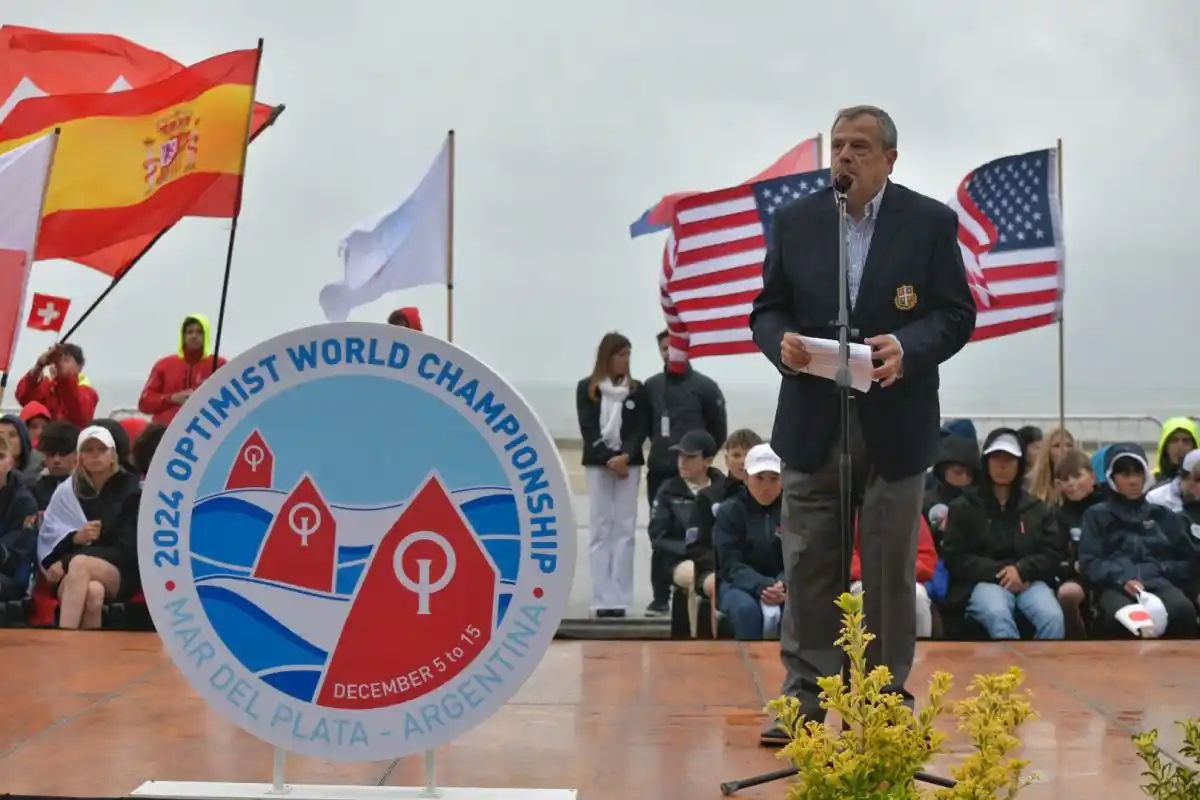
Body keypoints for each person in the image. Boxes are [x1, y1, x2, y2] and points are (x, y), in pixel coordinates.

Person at [749, 105, 976, 744]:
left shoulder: (928, 223)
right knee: (810, 562)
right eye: (838, 146)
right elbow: (767, 310)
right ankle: (806, 697)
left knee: (886, 565)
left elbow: (956, 315)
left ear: (889, 159)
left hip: (895, 423)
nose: (844, 158)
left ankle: (882, 695)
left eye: (859, 148)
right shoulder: (797, 222)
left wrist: (909, 346)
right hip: (813, 419)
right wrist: (782, 342)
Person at [941, 429, 1065, 640]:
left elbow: (1052, 552)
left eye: (1009, 459)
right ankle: (1007, 672)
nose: (1002, 465)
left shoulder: (1036, 508)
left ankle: (1045, 669)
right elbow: (955, 557)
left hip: (1029, 581)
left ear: (1019, 463)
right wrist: (1003, 573)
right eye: (996, 458)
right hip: (982, 583)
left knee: (1052, 617)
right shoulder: (963, 507)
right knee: (997, 614)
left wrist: (1023, 570)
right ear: (986, 461)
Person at [642, 329, 727, 616]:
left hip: (698, 472)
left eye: (674, 347)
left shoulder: (706, 387)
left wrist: (702, 458)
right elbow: (644, 426)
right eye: (664, 349)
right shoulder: (651, 387)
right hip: (661, 471)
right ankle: (659, 597)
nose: (670, 353)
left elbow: (718, 429)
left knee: (700, 527)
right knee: (662, 531)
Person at [1079, 443, 1199, 639]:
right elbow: (1090, 562)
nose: (1133, 481)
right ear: (1111, 477)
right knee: (1124, 619)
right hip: (1115, 586)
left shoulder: (1163, 515)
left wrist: (1161, 569)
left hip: (1159, 582)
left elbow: (1187, 561)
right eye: (1125, 475)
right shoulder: (1096, 516)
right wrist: (1122, 578)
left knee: (1183, 611)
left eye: (1138, 473)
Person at [36, 425, 142, 629]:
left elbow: (125, 550)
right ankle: (89, 657)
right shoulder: (67, 491)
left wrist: (66, 561)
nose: (96, 456)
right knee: (94, 593)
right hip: (72, 574)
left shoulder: (131, 490)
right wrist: (74, 538)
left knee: (80, 564)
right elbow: (49, 540)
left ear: (113, 455)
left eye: (102, 450)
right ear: (80, 457)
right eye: (89, 450)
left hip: (119, 571)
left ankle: (64, 639)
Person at [575, 332, 647, 619]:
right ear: (607, 357)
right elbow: (588, 427)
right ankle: (601, 596)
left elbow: (640, 429)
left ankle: (620, 597)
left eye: (629, 354)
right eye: (621, 354)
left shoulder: (637, 391)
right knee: (601, 527)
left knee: (625, 529)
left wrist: (625, 456)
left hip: (628, 466)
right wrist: (607, 457)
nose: (625, 360)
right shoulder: (587, 389)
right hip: (598, 465)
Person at [713, 444, 785, 640]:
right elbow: (729, 563)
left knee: (799, 612)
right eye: (759, 478)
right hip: (737, 584)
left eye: (774, 479)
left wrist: (782, 584)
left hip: (784, 585)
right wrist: (761, 585)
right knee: (746, 611)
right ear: (745, 477)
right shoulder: (730, 511)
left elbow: (801, 557)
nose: (766, 487)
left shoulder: (794, 510)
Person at [687, 428, 764, 605]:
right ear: (726, 459)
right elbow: (696, 545)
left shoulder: (770, 496)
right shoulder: (709, 497)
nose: (743, 461)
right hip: (716, 569)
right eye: (736, 455)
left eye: (749, 455)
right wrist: (721, 566)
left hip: (758, 570)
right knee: (718, 585)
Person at [1052, 449, 1105, 638]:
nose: (1072, 484)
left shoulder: (1108, 505)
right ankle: (1078, 640)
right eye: (1065, 480)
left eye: (1077, 476)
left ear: (1092, 476)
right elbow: (1056, 554)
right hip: (1079, 574)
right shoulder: (1060, 515)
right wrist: (1072, 566)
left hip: (1111, 570)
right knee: (1067, 593)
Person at [137, 314, 227, 425]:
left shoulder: (219, 364)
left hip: (204, 432)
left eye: (199, 332)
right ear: (183, 336)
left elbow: (231, 402)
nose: (194, 336)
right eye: (189, 332)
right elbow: (144, 404)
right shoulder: (164, 365)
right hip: (165, 432)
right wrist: (171, 398)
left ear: (206, 336)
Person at [14, 343, 98, 428]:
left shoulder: (88, 393)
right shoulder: (49, 388)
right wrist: (38, 366)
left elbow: (79, 412)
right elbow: (24, 398)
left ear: (80, 366)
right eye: (56, 361)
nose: (58, 364)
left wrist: (64, 376)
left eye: (66, 360)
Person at [0, 435, 38, 601]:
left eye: (0, 457)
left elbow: (15, 559)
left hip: (12, 578)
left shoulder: (24, 502)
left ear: (11, 463)